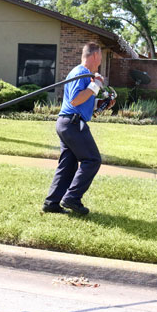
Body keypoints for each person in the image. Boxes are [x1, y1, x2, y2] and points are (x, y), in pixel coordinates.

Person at [42, 42, 108, 215]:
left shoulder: (82, 74)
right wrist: (97, 86)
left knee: (68, 165)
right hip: (72, 124)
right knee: (92, 160)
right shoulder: (82, 73)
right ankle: (72, 197)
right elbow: (75, 100)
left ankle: (52, 203)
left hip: (67, 122)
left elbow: (81, 102)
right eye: (100, 56)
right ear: (94, 56)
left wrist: (100, 104)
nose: (100, 60)